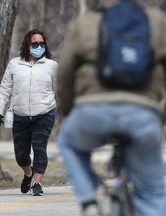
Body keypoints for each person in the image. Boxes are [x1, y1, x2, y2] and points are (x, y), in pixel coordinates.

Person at [56, 0, 166, 216]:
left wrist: (69, 112)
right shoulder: (157, 21)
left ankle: (89, 202)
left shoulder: (84, 22)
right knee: (152, 194)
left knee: (68, 142)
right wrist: (159, 116)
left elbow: (64, 75)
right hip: (142, 113)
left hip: (92, 111)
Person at [0, 29, 58, 196]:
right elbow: (5, 89)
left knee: (40, 148)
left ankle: (37, 184)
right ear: (27, 45)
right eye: (35, 43)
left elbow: (62, 90)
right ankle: (28, 174)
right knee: (21, 155)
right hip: (20, 115)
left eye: (42, 44)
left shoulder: (52, 66)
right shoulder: (14, 64)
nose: (38, 46)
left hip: (44, 113)